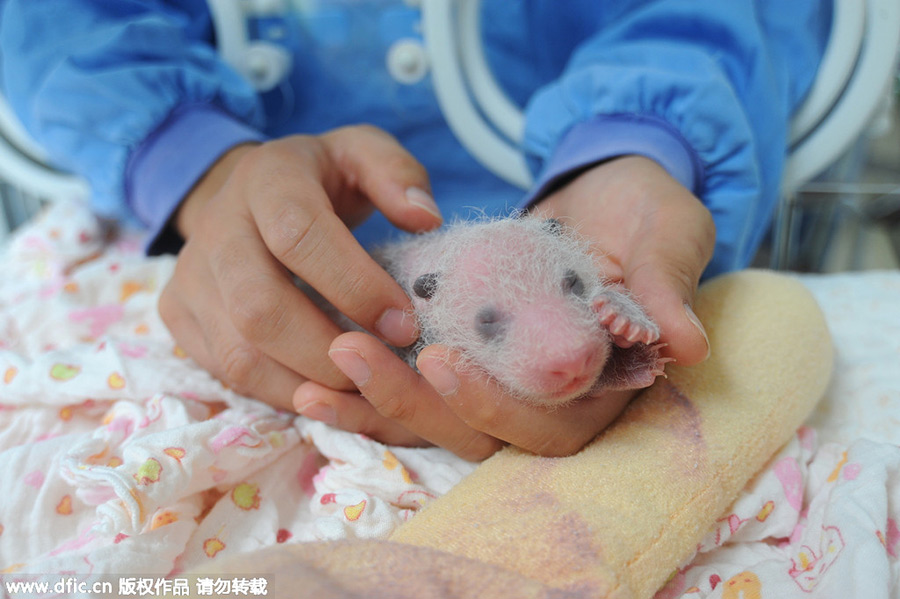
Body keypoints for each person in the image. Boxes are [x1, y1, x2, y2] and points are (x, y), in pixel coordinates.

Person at [0, 0, 830, 459]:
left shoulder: (570, 269)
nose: (575, 353)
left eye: (582, 286)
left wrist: (642, 145)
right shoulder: (414, 297)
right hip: (214, 229)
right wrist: (195, 162)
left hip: (609, 187)